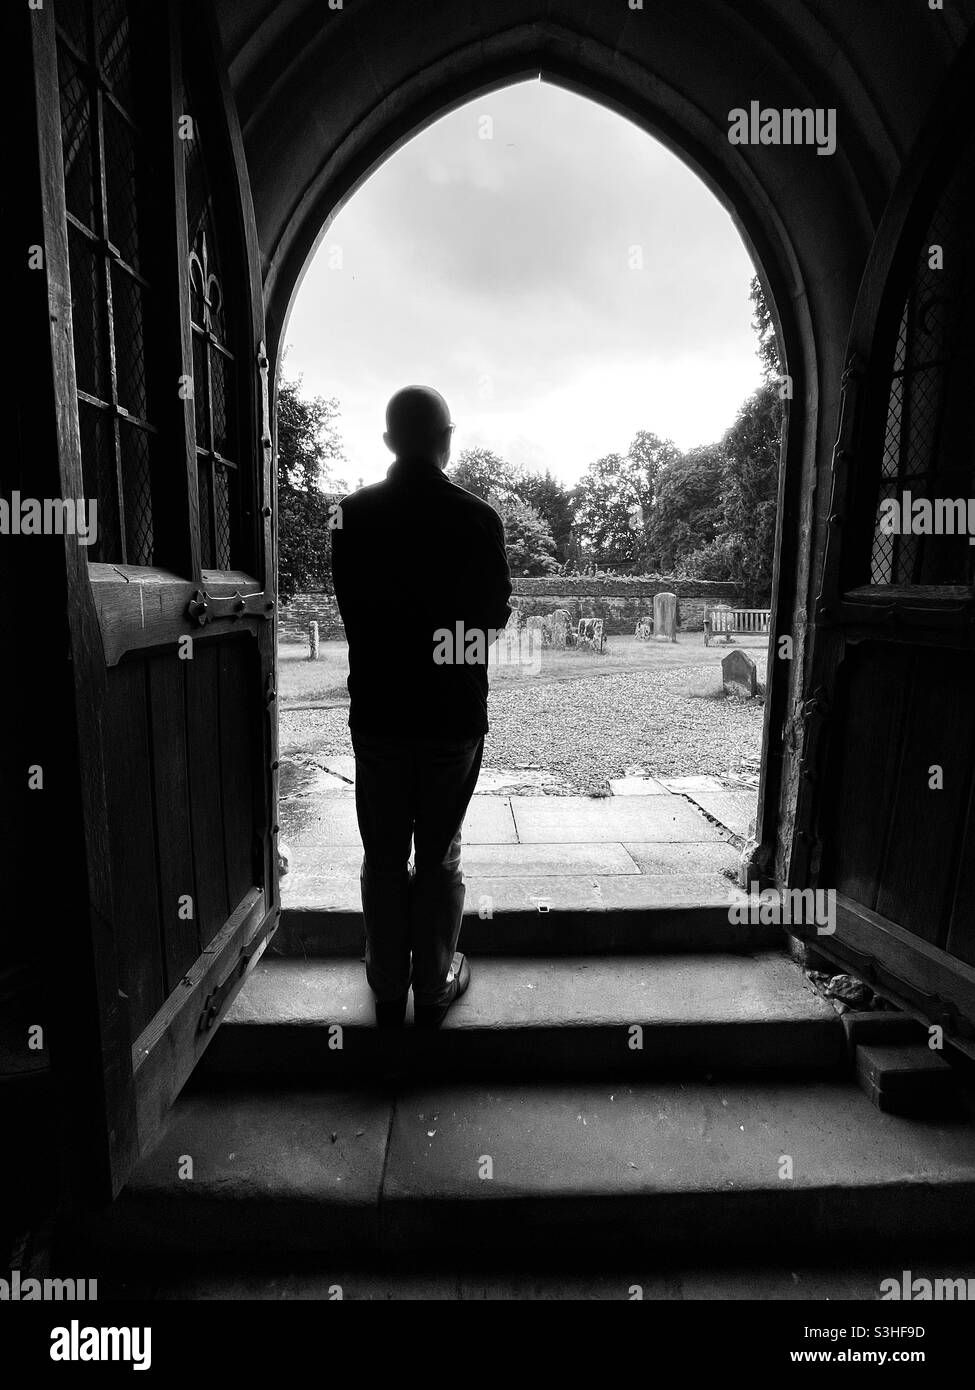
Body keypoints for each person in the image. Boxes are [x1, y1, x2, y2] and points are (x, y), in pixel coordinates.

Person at [331, 386, 512, 1028]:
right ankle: (432, 984)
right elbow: (492, 620)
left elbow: (355, 614)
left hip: (379, 710)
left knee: (382, 852)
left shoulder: (350, 515)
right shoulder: (477, 518)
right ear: (446, 440)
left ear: (387, 442)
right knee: (439, 851)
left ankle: (386, 987)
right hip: (449, 713)